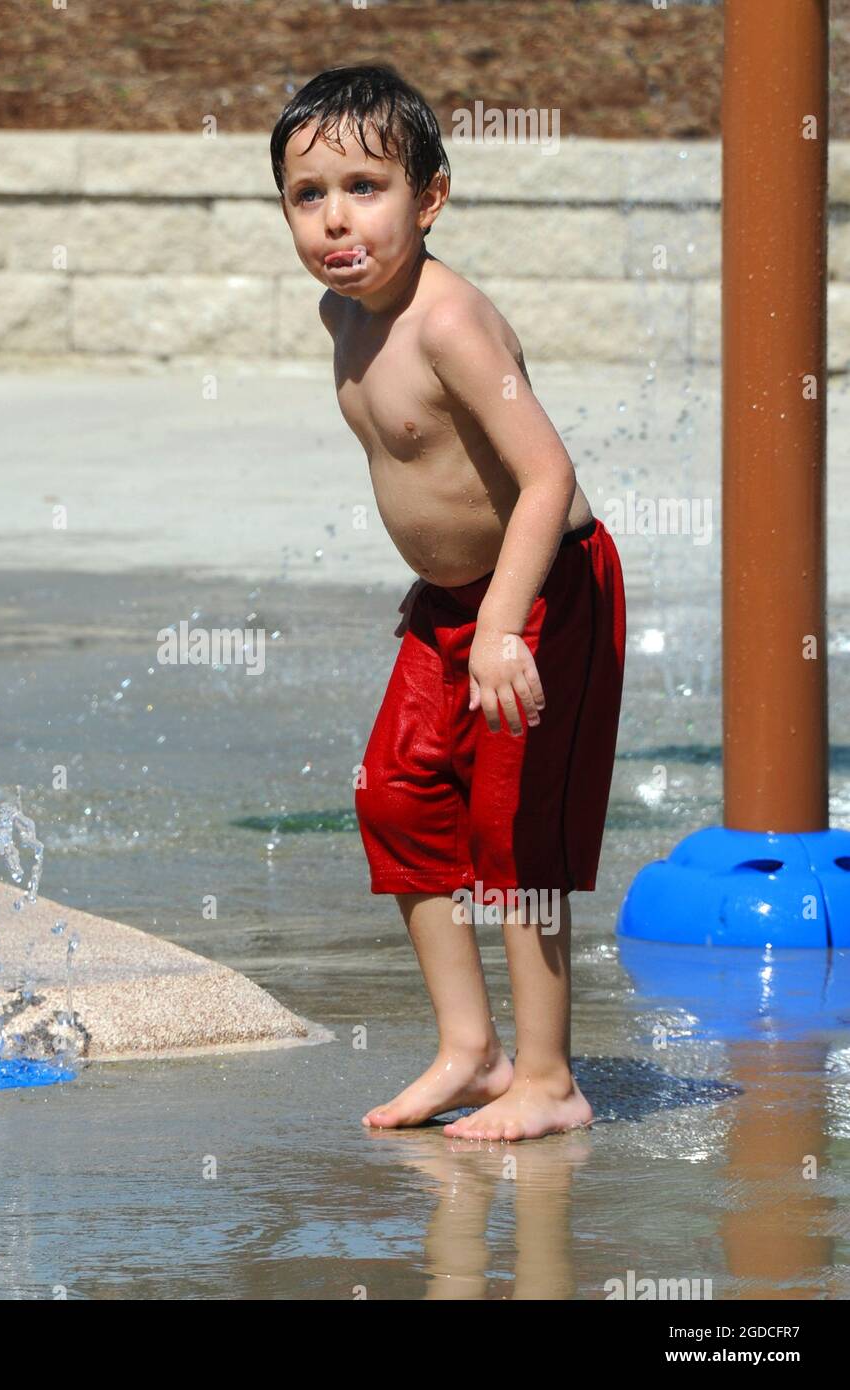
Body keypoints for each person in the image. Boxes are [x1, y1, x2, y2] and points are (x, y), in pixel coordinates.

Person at [271, 65, 626, 1141]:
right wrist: (440, 591)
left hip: (544, 593)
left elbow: (545, 476)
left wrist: (507, 622)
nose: (337, 216)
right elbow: (429, 472)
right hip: (452, 605)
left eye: (367, 186)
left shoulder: (450, 322)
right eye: (307, 193)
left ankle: (552, 1078)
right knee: (397, 794)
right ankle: (473, 1051)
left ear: (430, 197)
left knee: (515, 833)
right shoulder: (343, 311)